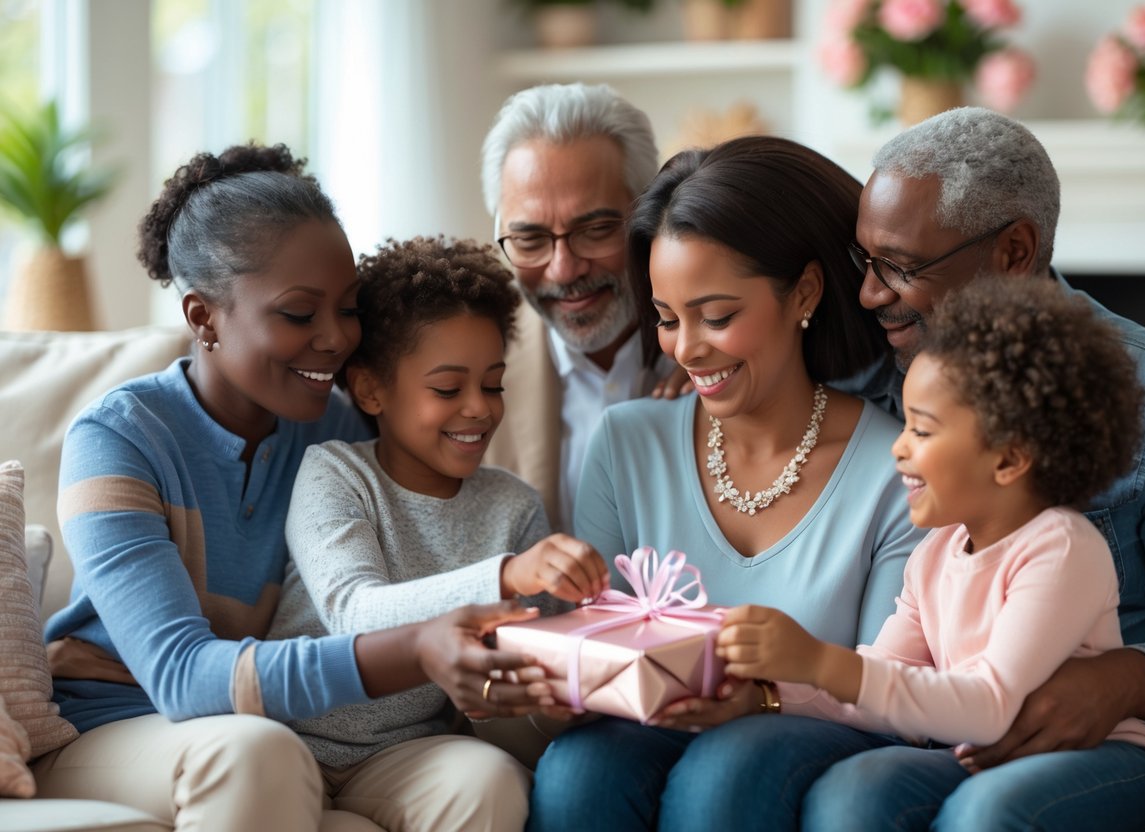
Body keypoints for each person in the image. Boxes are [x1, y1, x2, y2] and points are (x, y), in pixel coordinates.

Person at [35, 145, 556, 832]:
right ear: (203, 317)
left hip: (281, 733)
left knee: (479, 779)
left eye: (347, 310)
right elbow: (181, 676)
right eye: (299, 314)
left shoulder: (337, 432)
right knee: (256, 752)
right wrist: (416, 645)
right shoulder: (118, 438)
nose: (337, 339)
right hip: (120, 724)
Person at [526, 135, 926, 831]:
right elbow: (589, 645)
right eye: (666, 319)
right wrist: (552, 684)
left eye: (716, 316)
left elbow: (888, 687)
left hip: (810, 741)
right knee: (575, 768)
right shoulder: (626, 442)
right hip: (648, 728)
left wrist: (762, 698)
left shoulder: (894, 468)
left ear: (802, 291)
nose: (687, 348)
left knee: (725, 774)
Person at [840, 106, 1145, 828]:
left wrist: (1130, 680)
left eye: (900, 266)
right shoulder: (882, 364)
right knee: (854, 792)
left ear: (1013, 252)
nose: (870, 292)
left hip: (1103, 745)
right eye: (865, 261)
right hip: (944, 720)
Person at [717, 277, 1145, 831]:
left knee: (986, 812)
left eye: (922, 430)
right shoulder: (934, 555)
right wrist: (769, 688)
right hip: (989, 754)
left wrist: (822, 661)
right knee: (855, 789)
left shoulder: (1061, 547)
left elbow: (990, 704)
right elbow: (882, 683)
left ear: (1008, 460)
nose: (898, 446)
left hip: (1117, 757)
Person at [266, 235, 609, 829]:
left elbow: (538, 679)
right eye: (448, 389)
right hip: (287, 742)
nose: (479, 408)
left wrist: (537, 695)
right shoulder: (335, 473)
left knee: (492, 780)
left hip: (405, 753)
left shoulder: (515, 507)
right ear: (371, 389)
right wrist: (504, 575)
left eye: (494, 384)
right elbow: (353, 611)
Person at [479, 82, 679, 532]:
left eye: (595, 230)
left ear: (650, 214)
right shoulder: (471, 376)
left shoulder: (720, 353)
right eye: (529, 240)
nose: (564, 271)